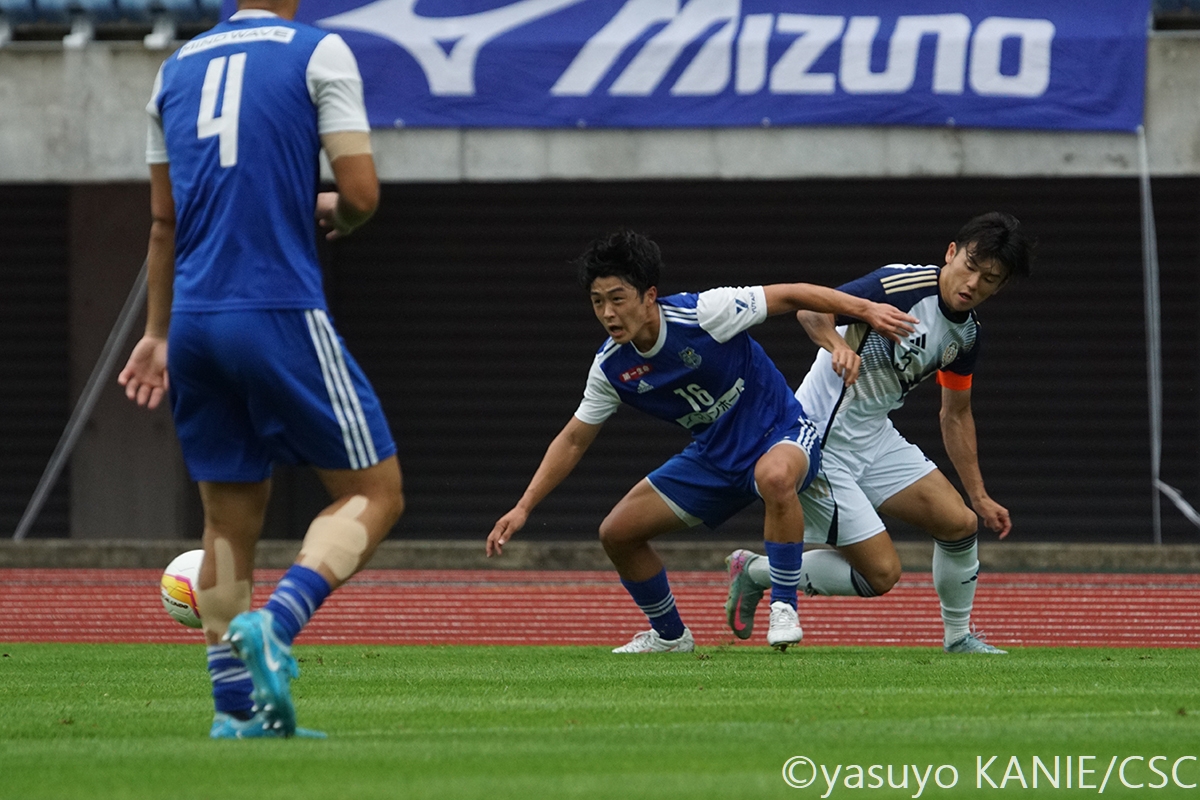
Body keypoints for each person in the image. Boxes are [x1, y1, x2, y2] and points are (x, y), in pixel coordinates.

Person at [119, 0, 403, 738]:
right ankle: (276, 625)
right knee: (374, 491)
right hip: (275, 308)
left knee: (226, 521)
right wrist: (341, 214)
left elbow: (163, 221)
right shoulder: (316, 52)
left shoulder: (173, 69)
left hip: (191, 321)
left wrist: (155, 333)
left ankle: (235, 712)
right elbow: (362, 193)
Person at [486, 229, 916, 653]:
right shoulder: (611, 367)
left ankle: (784, 606)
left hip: (781, 434)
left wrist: (866, 309)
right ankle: (670, 636)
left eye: (617, 298)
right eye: (598, 302)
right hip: (715, 457)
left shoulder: (705, 313)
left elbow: (791, 294)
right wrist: (524, 507)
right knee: (617, 533)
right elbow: (574, 439)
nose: (608, 313)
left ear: (649, 296)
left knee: (778, 478)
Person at [723, 212, 1034, 654]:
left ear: (998, 287)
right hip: (818, 442)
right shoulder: (899, 285)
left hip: (874, 436)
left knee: (960, 523)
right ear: (951, 253)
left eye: (989, 279)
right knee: (881, 575)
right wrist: (838, 346)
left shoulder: (966, 335)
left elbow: (956, 414)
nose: (972, 283)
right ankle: (756, 571)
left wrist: (979, 495)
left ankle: (959, 639)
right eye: (969, 266)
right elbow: (812, 310)